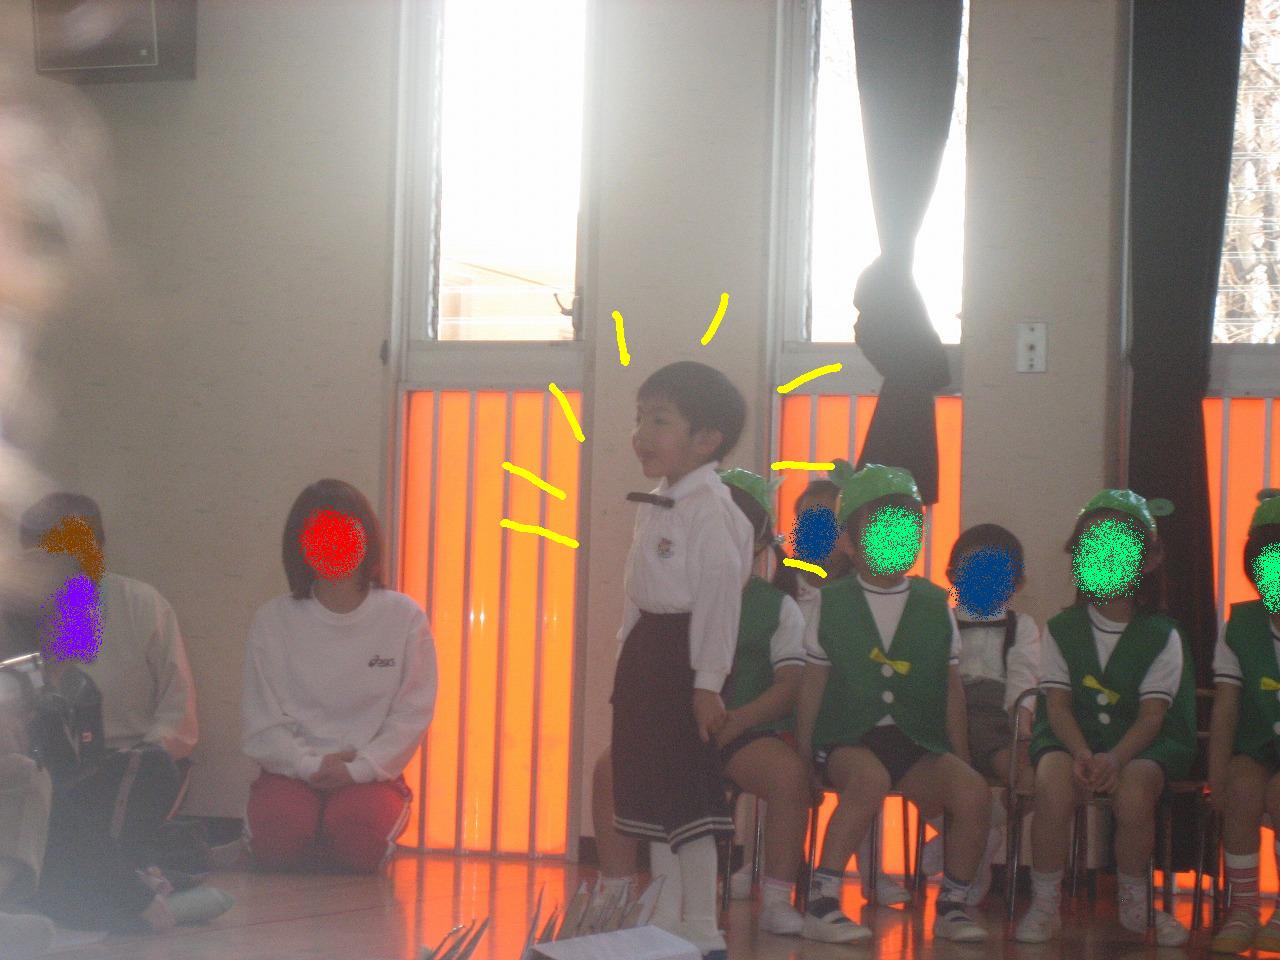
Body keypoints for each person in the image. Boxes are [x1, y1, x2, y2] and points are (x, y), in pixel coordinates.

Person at [794, 461, 990, 944]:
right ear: (847, 542)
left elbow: (951, 691)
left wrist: (960, 756)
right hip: (847, 737)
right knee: (869, 779)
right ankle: (822, 900)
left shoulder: (935, 604)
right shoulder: (829, 602)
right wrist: (803, 757)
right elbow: (813, 687)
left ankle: (953, 904)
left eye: (906, 530)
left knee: (973, 791)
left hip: (915, 740)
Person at [610, 361, 753, 960]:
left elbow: (720, 598)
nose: (642, 433)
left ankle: (702, 925)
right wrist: (626, 656)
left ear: (706, 440)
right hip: (648, 655)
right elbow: (636, 591)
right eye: (640, 417)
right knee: (654, 792)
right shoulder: (658, 499)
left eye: (660, 421)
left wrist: (707, 682)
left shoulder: (710, 507)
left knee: (689, 794)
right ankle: (665, 919)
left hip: (685, 657)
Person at [1016, 490, 1195, 946]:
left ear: (1149, 560)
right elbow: (1057, 705)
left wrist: (1114, 758)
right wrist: (1081, 752)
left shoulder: (1163, 635)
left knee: (1134, 792)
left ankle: (1136, 903)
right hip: (1072, 738)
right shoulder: (1062, 628)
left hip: (1143, 745)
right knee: (1052, 782)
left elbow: (1153, 717)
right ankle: (1045, 902)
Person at [241, 479, 437, 873]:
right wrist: (307, 765)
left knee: (358, 841)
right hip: (291, 771)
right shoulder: (273, 620)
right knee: (277, 840)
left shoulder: (404, 617)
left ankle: (330, 830)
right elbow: (262, 721)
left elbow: (411, 715)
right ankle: (308, 829)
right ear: (300, 546)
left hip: (371, 775)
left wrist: (358, 769)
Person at [786, 478, 911, 906]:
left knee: (872, 750)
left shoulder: (869, 594)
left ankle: (869, 867)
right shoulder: (779, 586)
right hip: (787, 708)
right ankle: (775, 864)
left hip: (846, 711)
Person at [919, 523, 1041, 903]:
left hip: (997, 718)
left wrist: (1022, 732)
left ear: (1017, 582)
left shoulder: (1021, 626)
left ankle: (976, 836)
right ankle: (962, 838)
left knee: (1029, 780)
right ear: (953, 575)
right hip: (943, 714)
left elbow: (1023, 681)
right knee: (915, 766)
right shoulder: (940, 619)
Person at [1208, 489, 1280, 954]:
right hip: (1258, 747)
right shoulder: (1240, 624)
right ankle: (1244, 907)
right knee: (1240, 785)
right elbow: (1227, 708)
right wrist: (1216, 776)